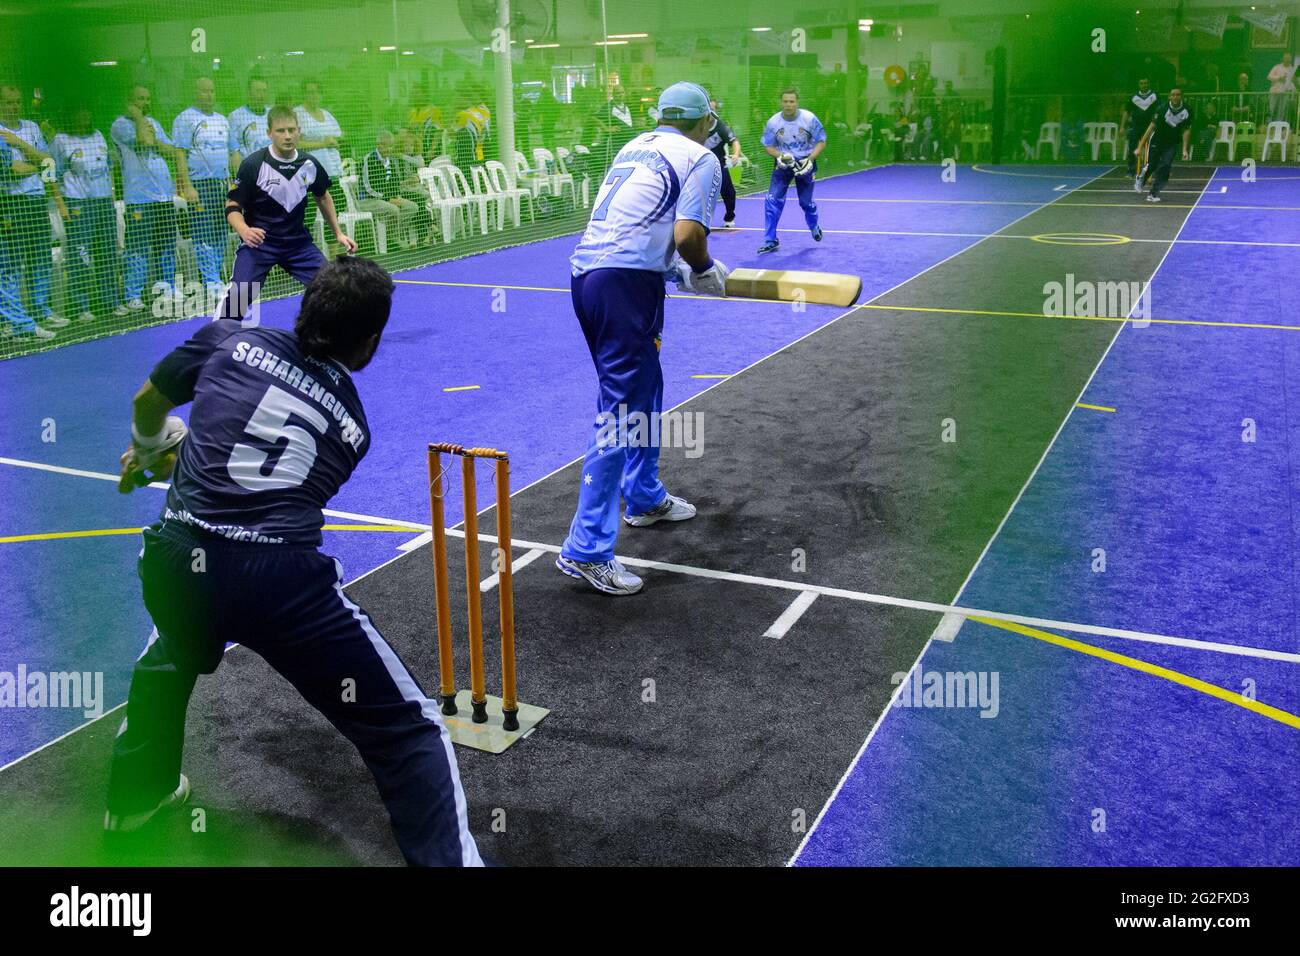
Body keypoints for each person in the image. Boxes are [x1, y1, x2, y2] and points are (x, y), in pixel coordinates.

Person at [106, 256, 482, 867]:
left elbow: (149, 401)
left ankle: (131, 808)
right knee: (410, 729)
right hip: (278, 585)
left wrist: (153, 449)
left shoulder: (229, 338)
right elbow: (268, 486)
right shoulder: (352, 428)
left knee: (166, 657)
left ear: (303, 308)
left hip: (176, 563)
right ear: (369, 342)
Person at [557, 82, 726, 596]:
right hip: (625, 286)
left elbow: (640, 226)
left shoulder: (636, 145)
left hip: (593, 278)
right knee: (620, 411)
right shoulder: (702, 156)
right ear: (703, 122)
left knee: (643, 392)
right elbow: (687, 234)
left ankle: (645, 495)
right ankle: (586, 550)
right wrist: (701, 268)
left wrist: (673, 270)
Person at [217, 105, 356, 323]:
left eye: (292, 130)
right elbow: (232, 206)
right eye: (281, 131)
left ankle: (329, 337)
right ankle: (217, 338)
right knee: (239, 295)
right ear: (269, 133)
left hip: (297, 244)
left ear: (299, 131)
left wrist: (337, 232)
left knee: (331, 288)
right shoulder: (252, 164)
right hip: (260, 244)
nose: (288, 136)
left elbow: (323, 196)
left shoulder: (310, 163)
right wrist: (244, 230)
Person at [111, 83, 199, 313]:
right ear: (129, 102)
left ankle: (166, 288)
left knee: (166, 245)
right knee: (138, 248)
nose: (146, 103)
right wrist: (138, 117)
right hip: (139, 197)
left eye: (148, 99)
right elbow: (144, 142)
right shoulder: (120, 125)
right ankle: (133, 295)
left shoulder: (156, 124)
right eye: (140, 99)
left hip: (163, 195)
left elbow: (171, 151)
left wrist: (153, 135)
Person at [1, 83, 65, 338]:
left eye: (17, 102)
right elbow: (11, 170)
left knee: (41, 257)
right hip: (11, 202)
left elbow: (49, 162)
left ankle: (41, 310)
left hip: (37, 199)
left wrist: (21, 145)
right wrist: (38, 163)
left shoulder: (31, 127)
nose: (14, 106)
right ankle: (13, 320)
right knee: (11, 263)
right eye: (8, 102)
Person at [51, 103, 119, 323]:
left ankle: (110, 301)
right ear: (70, 115)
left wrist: (111, 194)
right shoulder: (60, 140)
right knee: (80, 254)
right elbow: (51, 172)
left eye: (87, 110)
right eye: (79, 110)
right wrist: (60, 203)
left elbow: (109, 165)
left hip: (103, 202)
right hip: (76, 203)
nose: (84, 114)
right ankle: (81, 306)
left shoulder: (98, 135)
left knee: (107, 250)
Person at [172, 77, 231, 300]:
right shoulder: (185, 118)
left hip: (222, 184)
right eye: (204, 91)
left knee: (220, 232)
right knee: (203, 233)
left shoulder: (222, 120)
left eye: (212, 91)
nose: (209, 95)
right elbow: (180, 153)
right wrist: (187, 185)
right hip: (199, 185)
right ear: (195, 93)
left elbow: (232, 152)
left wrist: (236, 184)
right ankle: (211, 282)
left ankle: (216, 278)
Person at [757, 87, 827, 255]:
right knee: (772, 200)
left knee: (806, 203)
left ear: (797, 102)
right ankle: (770, 240)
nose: (788, 104)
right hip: (783, 165)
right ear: (781, 102)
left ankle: (814, 226)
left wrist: (810, 159)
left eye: (791, 101)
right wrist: (780, 155)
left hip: (805, 164)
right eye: (785, 101)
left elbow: (821, 141)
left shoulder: (809, 119)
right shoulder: (774, 122)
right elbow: (768, 146)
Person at [294, 79, 346, 249]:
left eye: (316, 92)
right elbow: (295, 144)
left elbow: (338, 137)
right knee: (306, 215)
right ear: (304, 94)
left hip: (331, 172)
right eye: (309, 92)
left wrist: (334, 142)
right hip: (307, 174)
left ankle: (333, 257)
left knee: (333, 213)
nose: (313, 95)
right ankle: (303, 254)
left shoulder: (327, 114)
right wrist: (323, 143)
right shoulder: (297, 114)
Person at [359, 129, 419, 249]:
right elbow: (368, 187)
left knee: (412, 207)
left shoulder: (390, 159)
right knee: (393, 210)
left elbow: (394, 180)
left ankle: (390, 236)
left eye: (391, 146)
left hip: (386, 198)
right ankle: (390, 239)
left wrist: (396, 196)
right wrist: (387, 199)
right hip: (368, 200)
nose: (390, 149)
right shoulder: (369, 159)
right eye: (387, 146)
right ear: (379, 145)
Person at [1136, 87, 1193, 203]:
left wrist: (1184, 149)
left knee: (1165, 166)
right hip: (1157, 140)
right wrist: (1140, 146)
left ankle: (1153, 193)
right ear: (1170, 97)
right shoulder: (1162, 109)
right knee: (1152, 165)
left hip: (1172, 142)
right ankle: (1141, 179)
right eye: (1173, 95)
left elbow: (1186, 130)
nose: (1175, 97)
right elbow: (1151, 127)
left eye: (1178, 95)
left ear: (1181, 96)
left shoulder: (1188, 110)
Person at [703, 98, 741, 228]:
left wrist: (735, 154)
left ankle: (729, 217)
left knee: (729, 192)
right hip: (700, 166)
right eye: (708, 110)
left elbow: (734, 141)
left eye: (713, 109)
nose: (710, 112)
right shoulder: (696, 127)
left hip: (719, 165)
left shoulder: (721, 127)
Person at [228, 76, 272, 168]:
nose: (262, 95)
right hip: (250, 170)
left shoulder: (272, 113)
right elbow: (233, 150)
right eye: (258, 91)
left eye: (264, 91)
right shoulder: (235, 116)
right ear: (249, 93)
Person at [1123, 76, 1158, 177]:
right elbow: (1127, 112)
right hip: (1135, 126)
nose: (1144, 85)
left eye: (1146, 83)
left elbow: (1160, 111)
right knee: (1132, 148)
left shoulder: (1155, 96)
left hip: (1150, 126)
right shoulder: (1133, 97)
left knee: (1153, 148)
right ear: (1139, 85)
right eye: (1142, 83)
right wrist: (1122, 126)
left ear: (1149, 84)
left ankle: (1152, 169)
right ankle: (1131, 170)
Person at [1267, 52, 1297, 122]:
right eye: (1285, 58)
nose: (1287, 60)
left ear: (1290, 59)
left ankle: (1278, 124)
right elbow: (1269, 77)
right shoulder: (1276, 67)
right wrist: (1279, 78)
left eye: (1288, 58)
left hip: (1285, 93)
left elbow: (1293, 82)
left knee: (1282, 110)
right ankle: (1269, 124)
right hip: (1274, 92)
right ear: (1283, 59)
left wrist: (1293, 90)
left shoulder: (1292, 70)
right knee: (1271, 109)